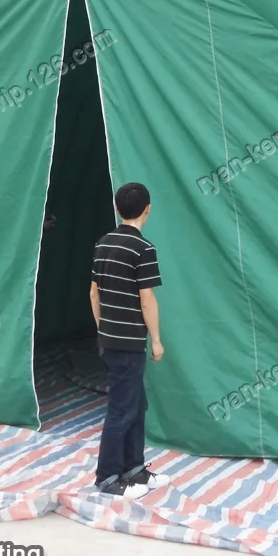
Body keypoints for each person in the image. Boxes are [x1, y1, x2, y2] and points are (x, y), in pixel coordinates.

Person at [90, 182, 170, 497]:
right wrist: (157, 340)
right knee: (121, 411)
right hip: (129, 343)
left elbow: (93, 292)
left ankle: (134, 469)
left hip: (110, 340)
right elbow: (146, 298)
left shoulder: (102, 243)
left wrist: (103, 327)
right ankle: (108, 479)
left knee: (136, 405)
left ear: (117, 209)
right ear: (147, 209)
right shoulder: (143, 248)